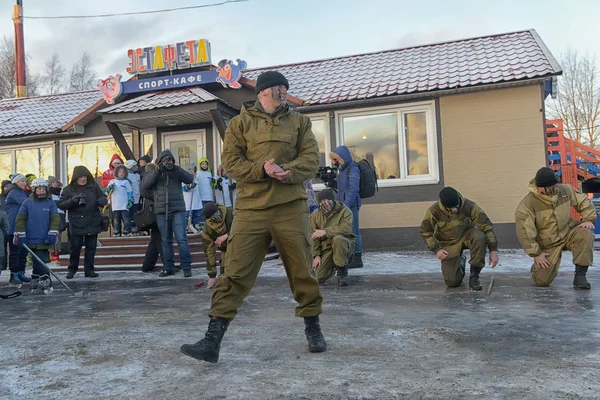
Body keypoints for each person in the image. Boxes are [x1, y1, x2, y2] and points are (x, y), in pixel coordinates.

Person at [180, 70, 326, 363]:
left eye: (286, 87)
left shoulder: (300, 121)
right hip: (250, 210)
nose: (283, 92)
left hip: (290, 207)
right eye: (277, 88)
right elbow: (231, 163)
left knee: (302, 270)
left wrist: (289, 172)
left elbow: (311, 160)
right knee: (234, 271)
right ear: (261, 92)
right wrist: (263, 169)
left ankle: (313, 327)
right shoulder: (239, 124)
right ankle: (212, 339)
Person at [515, 167, 595, 289]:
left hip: (567, 232)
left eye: (556, 184)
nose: (556, 188)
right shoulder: (527, 204)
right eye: (552, 186)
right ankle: (537, 269)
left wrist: (588, 219)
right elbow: (524, 232)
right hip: (548, 245)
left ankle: (580, 276)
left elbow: (583, 200)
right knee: (542, 281)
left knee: (585, 234)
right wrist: (536, 254)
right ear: (541, 188)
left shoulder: (565, 190)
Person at [420, 187, 499, 291]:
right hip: (448, 242)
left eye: (456, 206)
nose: (455, 210)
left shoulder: (470, 206)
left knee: (479, 236)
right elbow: (426, 232)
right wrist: (436, 250)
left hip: (467, 236)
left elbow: (487, 227)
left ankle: (474, 276)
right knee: (452, 282)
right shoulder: (433, 210)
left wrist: (493, 250)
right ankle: (460, 262)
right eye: (451, 208)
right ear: (444, 206)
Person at [140, 150, 195, 278]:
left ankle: (186, 267)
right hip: (161, 211)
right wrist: (158, 171)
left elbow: (189, 179)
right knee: (165, 240)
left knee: (181, 239)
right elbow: (144, 186)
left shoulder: (176, 171)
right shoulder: (155, 173)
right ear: (159, 162)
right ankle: (168, 267)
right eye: (165, 160)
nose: (168, 162)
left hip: (177, 210)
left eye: (170, 160)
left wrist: (176, 168)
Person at [57, 166, 108, 279]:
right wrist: (72, 201)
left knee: (91, 248)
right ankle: (72, 269)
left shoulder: (93, 187)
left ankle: (89, 270)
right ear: (75, 178)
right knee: (75, 248)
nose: (83, 179)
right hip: (76, 223)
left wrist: (103, 201)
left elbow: (103, 197)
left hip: (92, 221)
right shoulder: (68, 189)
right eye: (80, 177)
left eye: (84, 177)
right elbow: (60, 204)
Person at [14, 179, 60, 294]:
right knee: (36, 259)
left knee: (40, 258)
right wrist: (21, 233)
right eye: (39, 189)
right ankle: (37, 277)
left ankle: (43, 278)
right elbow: (20, 218)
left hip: (44, 236)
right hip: (30, 236)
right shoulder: (27, 203)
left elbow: (55, 218)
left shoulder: (50, 203)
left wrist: (52, 231)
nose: (41, 191)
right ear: (34, 190)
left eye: (43, 189)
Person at [310, 189, 355, 286]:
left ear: (332, 200)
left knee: (338, 239)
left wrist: (325, 232)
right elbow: (313, 237)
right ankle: (334, 263)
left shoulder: (345, 211)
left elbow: (346, 229)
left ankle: (342, 271)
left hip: (343, 243)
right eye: (321, 202)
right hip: (326, 248)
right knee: (317, 277)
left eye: (326, 200)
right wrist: (316, 255)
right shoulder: (315, 215)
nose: (324, 203)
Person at [329, 146, 363, 268]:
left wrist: (346, 206)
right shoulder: (343, 169)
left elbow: (353, 189)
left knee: (354, 231)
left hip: (351, 205)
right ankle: (350, 256)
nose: (335, 162)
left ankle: (357, 258)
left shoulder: (353, 169)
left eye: (337, 159)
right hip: (344, 205)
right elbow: (342, 189)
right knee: (348, 231)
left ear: (342, 158)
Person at [5, 173, 32, 286]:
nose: (24, 183)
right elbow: (26, 203)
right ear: (16, 182)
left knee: (23, 251)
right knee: (15, 252)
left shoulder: (21, 192)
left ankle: (21, 272)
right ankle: (14, 274)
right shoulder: (14, 192)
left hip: (23, 227)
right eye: (22, 181)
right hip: (14, 228)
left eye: (25, 181)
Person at [200, 202, 233, 289]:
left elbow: (242, 227)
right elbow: (209, 251)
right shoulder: (207, 229)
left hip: (240, 245)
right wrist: (212, 276)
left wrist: (227, 235)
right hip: (225, 249)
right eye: (213, 217)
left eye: (216, 214)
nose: (216, 217)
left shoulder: (230, 213)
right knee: (224, 278)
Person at [139, 162, 163, 273]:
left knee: (154, 241)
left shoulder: (145, 178)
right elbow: (146, 193)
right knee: (159, 239)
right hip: (155, 212)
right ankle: (167, 263)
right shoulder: (151, 180)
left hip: (151, 212)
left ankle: (147, 266)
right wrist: (159, 197)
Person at [106, 164, 134, 237]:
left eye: (123, 172)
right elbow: (107, 192)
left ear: (125, 174)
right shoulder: (112, 181)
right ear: (116, 173)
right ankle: (117, 231)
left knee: (126, 219)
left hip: (124, 204)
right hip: (115, 205)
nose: (121, 174)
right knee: (116, 220)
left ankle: (126, 230)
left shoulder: (126, 182)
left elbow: (130, 192)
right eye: (120, 172)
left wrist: (130, 200)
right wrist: (110, 188)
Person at [182, 164, 202, 231]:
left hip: (196, 201)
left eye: (195, 170)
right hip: (188, 202)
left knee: (196, 215)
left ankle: (196, 225)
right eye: (194, 170)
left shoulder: (196, 179)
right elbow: (183, 188)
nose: (195, 172)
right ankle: (186, 227)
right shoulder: (184, 179)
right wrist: (189, 186)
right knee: (187, 216)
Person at [125, 160, 141, 234]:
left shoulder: (138, 175)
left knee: (135, 213)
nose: (137, 167)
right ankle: (128, 228)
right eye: (135, 166)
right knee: (129, 214)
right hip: (129, 199)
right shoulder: (126, 176)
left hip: (137, 198)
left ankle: (135, 226)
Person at [196, 157, 215, 224]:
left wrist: (213, 182)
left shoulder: (209, 173)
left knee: (209, 210)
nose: (204, 165)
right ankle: (202, 223)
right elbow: (196, 181)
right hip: (202, 195)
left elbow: (212, 185)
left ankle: (209, 223)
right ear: (200, 165)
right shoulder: (198, 173)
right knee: (203, 211)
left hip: (209, 195)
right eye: (203, 164)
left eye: (206, 164)